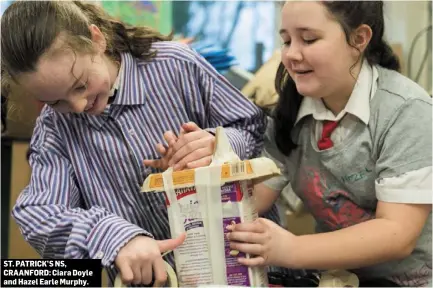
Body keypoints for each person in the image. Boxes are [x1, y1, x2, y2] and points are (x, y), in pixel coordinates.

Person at [1, 1, 268, 286]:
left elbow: (251, 126)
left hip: (243, 270)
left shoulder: (177, 66)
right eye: (55, 101)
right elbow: (39, 215)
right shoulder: (54, 127)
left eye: (80, 85)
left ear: (96, 40)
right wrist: (112, 235)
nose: (78, 107)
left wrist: (219, 145)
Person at [226, 1, 432, 287]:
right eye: (286, 40)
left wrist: (290, 249)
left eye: (309, 39)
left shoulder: (406, 111)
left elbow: (398, 234)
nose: (291, 55)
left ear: (359, 39)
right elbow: (250, 202)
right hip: (342, 279)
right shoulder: (289, 115)